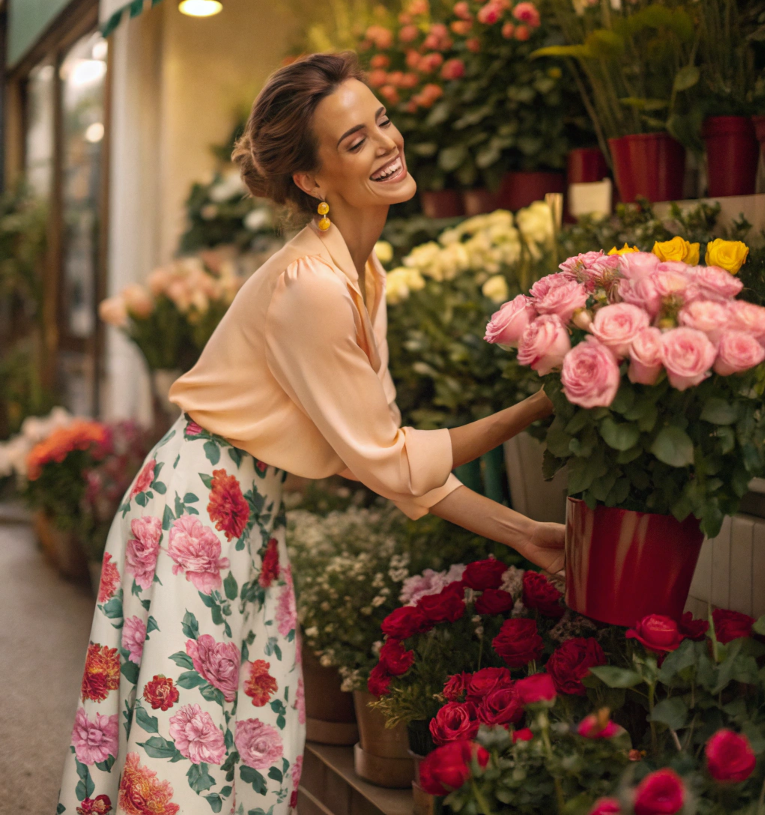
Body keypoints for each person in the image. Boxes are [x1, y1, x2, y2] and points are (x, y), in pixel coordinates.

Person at [57, 52, 563, 815]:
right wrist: (536, 406)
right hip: (199, 509)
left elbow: (381, 457)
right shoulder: (315, 287)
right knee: (186, 756)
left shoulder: (359, 274)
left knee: (250, 736)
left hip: (237, 508)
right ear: (313, 180)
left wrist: (524, 532)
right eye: (355, 141)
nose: (386, 143)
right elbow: (390, 458)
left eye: (382, 121)